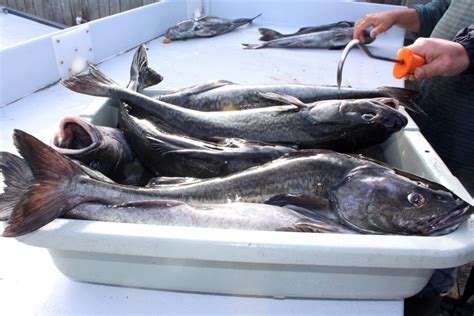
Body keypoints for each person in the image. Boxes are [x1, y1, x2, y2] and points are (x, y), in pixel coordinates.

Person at [353, 1, 473, 314]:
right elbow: (455, 7)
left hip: (467, 154)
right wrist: (403, 17)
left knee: (448, 240)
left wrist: (467, 51)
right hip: (434, 137)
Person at [353, 0, 474, 197]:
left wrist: (467, 50)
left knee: (454, 201)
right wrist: (399, 17)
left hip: (465, 142)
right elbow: (452, 6)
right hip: (432, 113)